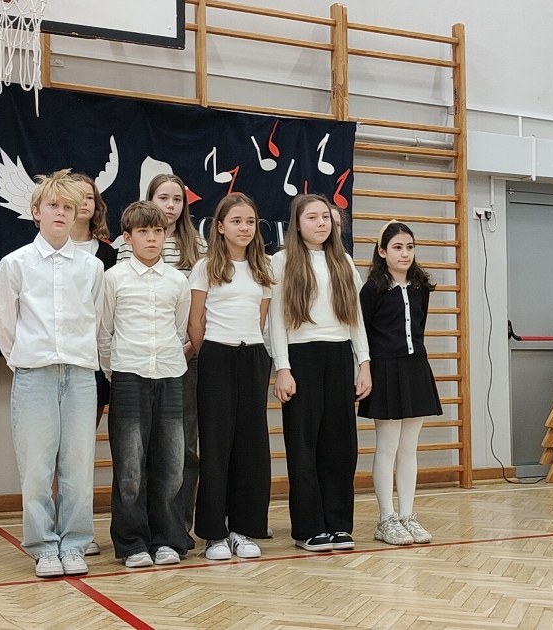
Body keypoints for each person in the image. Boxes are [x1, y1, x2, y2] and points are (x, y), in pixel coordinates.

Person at [0, 169, 104, 578]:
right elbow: (6, 325)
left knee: (78, 467)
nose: (61, 212)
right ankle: (43, 547)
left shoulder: (92, 267)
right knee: (37, 469)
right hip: (34, 374)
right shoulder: (15, 264)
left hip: (80, 374)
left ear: (77, 214)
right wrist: (25, 360)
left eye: (68, 207)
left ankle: (74, 544)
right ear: (36, 211)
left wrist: (77, 355)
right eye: (53, 205)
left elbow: (95, 321)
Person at [269, 193, 371, 552]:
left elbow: (355, 318)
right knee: (303, 445)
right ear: (297, 224)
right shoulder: (281, 262)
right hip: (301, 356)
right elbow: (275, 321)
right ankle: (309, 528)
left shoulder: (343, 261)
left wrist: (363, 363)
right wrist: (283, 368)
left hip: (339, 355)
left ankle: (338, 524)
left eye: (325, 217)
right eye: (312, 217)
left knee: (340, 445)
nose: (321, 223)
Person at [99, 201, 191, 568]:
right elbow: (104, 333)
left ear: (166, 235)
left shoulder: (178, 281)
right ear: (128, 237)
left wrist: (165, 360)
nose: (151, 238)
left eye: (157, 231)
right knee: (130, 468)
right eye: (142, 232)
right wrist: (117, 372)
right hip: (128, 376)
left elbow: (180, 329)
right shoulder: (113, 279)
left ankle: (166, 539)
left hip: (169, 375)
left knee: (171, 464)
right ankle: (132, 543)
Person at [115, 173, 204, 550]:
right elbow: (111, 323)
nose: (170, 206)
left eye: (177, 199)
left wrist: (184, 349)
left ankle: (175, 529)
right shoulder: (121, 262)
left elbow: (191, 312)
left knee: (180, 449)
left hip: (179, 362)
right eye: (163, 198)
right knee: (136, 455)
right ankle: (138, 535)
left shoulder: (196, 246)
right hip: (135, 364)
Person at [188, 193, 274, 561]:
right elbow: (195, 321)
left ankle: (243, 528)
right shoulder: (205, 267)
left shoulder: (263, 269)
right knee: (216, 445)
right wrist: (209, 353)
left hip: (252, 356)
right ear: (220, 227)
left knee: (251, 446)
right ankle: (214, 533)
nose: (244, 227)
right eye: (236, 221)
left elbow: (262, 319)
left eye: (250, 221)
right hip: (216, 356)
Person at [358, 221, 442, 546]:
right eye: (397, 247)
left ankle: (407, 514)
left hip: (415, 368)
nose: (404, 253)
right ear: (382, 252)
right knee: (388, 445)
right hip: (385, 371)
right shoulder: (372, 289)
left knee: (409, 448)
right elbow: (363, 332)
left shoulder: (421, 287)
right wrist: (365, 369)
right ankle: (386, 518)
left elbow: (419, 326)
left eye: (409, 247)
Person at [66, 171, 116, 558]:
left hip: (94, 365)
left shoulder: (109, 255)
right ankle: (52, 528)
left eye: (90, 197)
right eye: (76, 196)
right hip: (54, 360)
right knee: (54, 453)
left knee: (81, 450)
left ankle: (79, 530)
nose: (84, 203)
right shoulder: (44, 250)